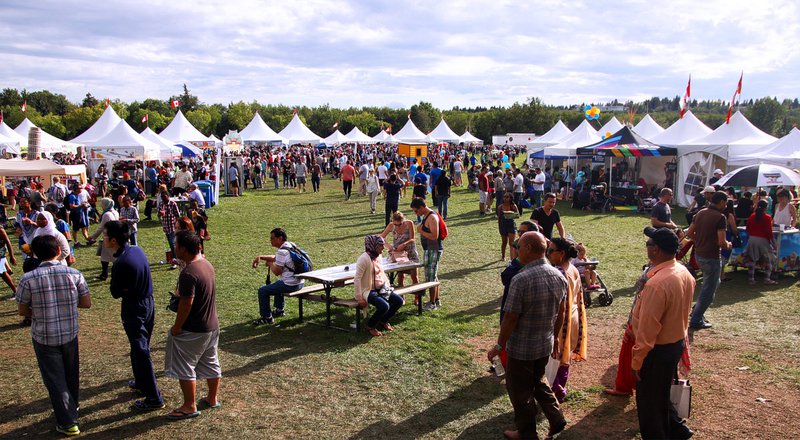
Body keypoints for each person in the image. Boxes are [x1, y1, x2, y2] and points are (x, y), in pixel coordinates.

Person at [486, 231, 567, 440]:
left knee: (519, 391)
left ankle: (526, 433)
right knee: (538, 380)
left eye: (518, 245)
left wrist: (499, 346)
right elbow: (562, 311)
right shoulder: (558, 275)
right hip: (544, 343)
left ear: (528, 248)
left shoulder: (521, 279)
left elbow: (511, 317)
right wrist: (555, 337)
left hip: (522, 348)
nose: (516, 249)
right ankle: (556, 417)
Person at [16, 235, 91, 436]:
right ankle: (71, 409)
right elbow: (86, 303)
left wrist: (40, 312)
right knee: (70, 373)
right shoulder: (74, 274)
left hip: (44, 335)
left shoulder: (27, 279)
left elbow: (23, 310)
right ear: (59, 251)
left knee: (55, 379)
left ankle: (67, 421)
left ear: (35, 254)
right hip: (69, 332)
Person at [632, 227, 695, 439]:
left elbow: (649, 328)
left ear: (656, 250)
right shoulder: (683, 272)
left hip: (657, 349)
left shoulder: (657, 283)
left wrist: (638, 360)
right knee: (659, 392)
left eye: (648, 245)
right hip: (674, 343)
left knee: (649, 401)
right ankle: (677, 428)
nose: (646, 248)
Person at [104, 221, 165, 411]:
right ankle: (141, 382)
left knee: (141, 351)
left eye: (105, 237)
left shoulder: (121, 263)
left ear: (113, 241)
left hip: (134, 308)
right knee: (139, 346)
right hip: (148, 303)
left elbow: (115, 292)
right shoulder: (136, 250)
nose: (103, 240)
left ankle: (154, 397)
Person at [164, 231, 221, 420]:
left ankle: (189, 405)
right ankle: (212, 398)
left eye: (176, 245)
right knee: (211, 361)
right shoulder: (207, 264)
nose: (174, 248)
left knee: (185, 365)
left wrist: (177, 327)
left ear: (183, 248)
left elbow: (186, 303)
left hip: (194, 328)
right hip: (212, 325)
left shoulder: (188, 273)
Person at [546, 238, 587, 402]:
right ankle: (559, 389)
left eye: (550, 251)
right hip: (573, 316)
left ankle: (555, 391)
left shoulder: (559, 273)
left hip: (563, 320)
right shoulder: (573, 268)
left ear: (561, 254)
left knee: (556, 355)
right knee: (565, 356)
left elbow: (559, 305)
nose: (547, 254)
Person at [686, 191, 731, 331]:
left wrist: (699, 241)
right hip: (711, 257)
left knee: (713, 282)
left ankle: (697, 308)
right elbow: (722, 242)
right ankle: (696, 318)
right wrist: (729, 244)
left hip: (699, 255)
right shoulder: (720, 217)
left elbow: (689, 233)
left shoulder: (700, 212)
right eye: (726, 202)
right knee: (708, 290)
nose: (727, 204)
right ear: (722, 202)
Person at [251, 228, 305, 325]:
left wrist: (270, 264)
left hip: (291, 285)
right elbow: (276, 258)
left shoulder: (282, 252)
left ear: (279, 238)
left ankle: (267, 317)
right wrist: (260, 257)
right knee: (279, 284)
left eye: (272, 238)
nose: (270, 240)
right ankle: (279, 310)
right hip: (300, 283)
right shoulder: (290, 245)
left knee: (262, 290)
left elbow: (276, 272)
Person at [354, 235, 404, 337]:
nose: (383, 248)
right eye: (380, 246)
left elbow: (381, 273)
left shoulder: (378, 256)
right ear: (373, 246)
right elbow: (357, 279)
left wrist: (387, 287)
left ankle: (383, 320)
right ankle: (370, 325)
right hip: (369, 291)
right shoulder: (364, 259)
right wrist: (359, 298)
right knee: (384, 306)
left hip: (381, 288)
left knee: (398, 301)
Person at [410, 198, 442, 311]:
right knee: (433, 275)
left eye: (416, 211)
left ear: (422, 207)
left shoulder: (432, 217)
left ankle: (432, 303)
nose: (416, 213)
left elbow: (434, 236)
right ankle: (436, 300)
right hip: (429, 249)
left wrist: (421, 231)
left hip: (433, 249)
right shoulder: (426, 216)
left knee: (430, 277)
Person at [380, 211, 419, 288]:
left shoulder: (409, 223)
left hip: (411, 252)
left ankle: (417, 298)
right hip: (399, 254)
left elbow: (412, 239)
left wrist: (404, 244)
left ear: (403, 220)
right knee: (400, 277)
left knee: (414, 276)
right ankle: (402, 298)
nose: (397, 226)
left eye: (399, 224)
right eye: (395, 224)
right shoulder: (391, 225)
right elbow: (381, 237)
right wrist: (389, 246)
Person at [744, 200, 778, 285]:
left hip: (752, 239)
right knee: (769, 259)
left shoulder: (752, 216)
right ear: (766, 207)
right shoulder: (767, 217)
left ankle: (751, 279)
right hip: (762, 240)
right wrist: (773, 243)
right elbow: (769, 232)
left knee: (752, 259)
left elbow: (747, 228)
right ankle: (767, 279)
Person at [86, 198, 119, 280]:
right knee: (105, 257)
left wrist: (92, 237)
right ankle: (104, 274)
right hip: (113, 237)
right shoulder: (115, 212)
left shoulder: (107, 214)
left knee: (113, 257)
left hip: (109, 238)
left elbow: (101, 228)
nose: (101, 205)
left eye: (102, 204)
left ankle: (115, 274)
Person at [158, 191, 181, 270]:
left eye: (165, 197)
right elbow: (158, 215)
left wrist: (177, 226)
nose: (163, 199)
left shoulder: (173, 204)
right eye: (162, 197)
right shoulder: (161, 204)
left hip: (172, 227)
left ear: (168, 196)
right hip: (165, 227)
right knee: (168, 245)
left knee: (172, 244)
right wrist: (160, 214)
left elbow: (178, 216)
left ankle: (175, 260)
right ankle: (169, 259)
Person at [497, 193, 520, 261]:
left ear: (510, 198)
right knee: (504, 242)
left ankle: (512, 259)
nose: (505, 198)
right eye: (504, 197)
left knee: (511, 243)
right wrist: (499, 227)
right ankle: (503, 256)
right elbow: (499, 218)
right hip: (503, 225)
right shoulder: (500, 207)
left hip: (511, 225)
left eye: (507, 197)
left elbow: (518, 215)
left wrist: (511, 214)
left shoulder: (513, 206)